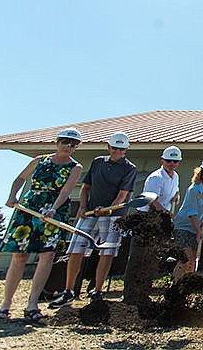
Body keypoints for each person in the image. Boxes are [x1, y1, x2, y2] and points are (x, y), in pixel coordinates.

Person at [0, 128, 83, 321]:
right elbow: (20, 179)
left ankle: (32, 304)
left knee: (47, 254)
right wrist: (13, 196)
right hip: (30, 207)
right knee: (19, 255)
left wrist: (53, 209)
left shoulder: (75, 167)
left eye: (73, 144)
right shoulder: (39, 160)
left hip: (53, 210)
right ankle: (5, 304)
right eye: (65, 142)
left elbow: (66, 191)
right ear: (57, 142)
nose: (68, 146)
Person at [49, 132, 137, 308]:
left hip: (113, 216)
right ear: (108, 147)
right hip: (90, 213)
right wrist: (82, 207)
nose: (117, 152)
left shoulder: (130, 168)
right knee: (76, 249)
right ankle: (69, 291)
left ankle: (97, 291)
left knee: (107, 253)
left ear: (125, 149)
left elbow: (123, 195)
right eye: (114, 148)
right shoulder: (97, 162)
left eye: (121, 149)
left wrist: (108, 209)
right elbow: (85, 188)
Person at [122, 145, 182, 304]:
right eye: (169, 161)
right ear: (162, 160)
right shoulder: (155, 177)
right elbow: (152, 200)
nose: (172, 164)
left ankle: (143, 292)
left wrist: (176, 196)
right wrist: (165, 211)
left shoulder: (175, 177)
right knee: (138, 256)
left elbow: (174, 193)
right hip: (147, 218)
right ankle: (129, 294)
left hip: (161, 219)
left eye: (175, 161)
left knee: (152, 257)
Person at [172, 155, 203, 281]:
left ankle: (185, 286)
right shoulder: (194, 189)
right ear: (202, 171)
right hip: (184, 227)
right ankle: (175, 285)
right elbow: (192, 212)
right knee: (185, 258)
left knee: (193, 260)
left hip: (197, 226)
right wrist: (198, 231)